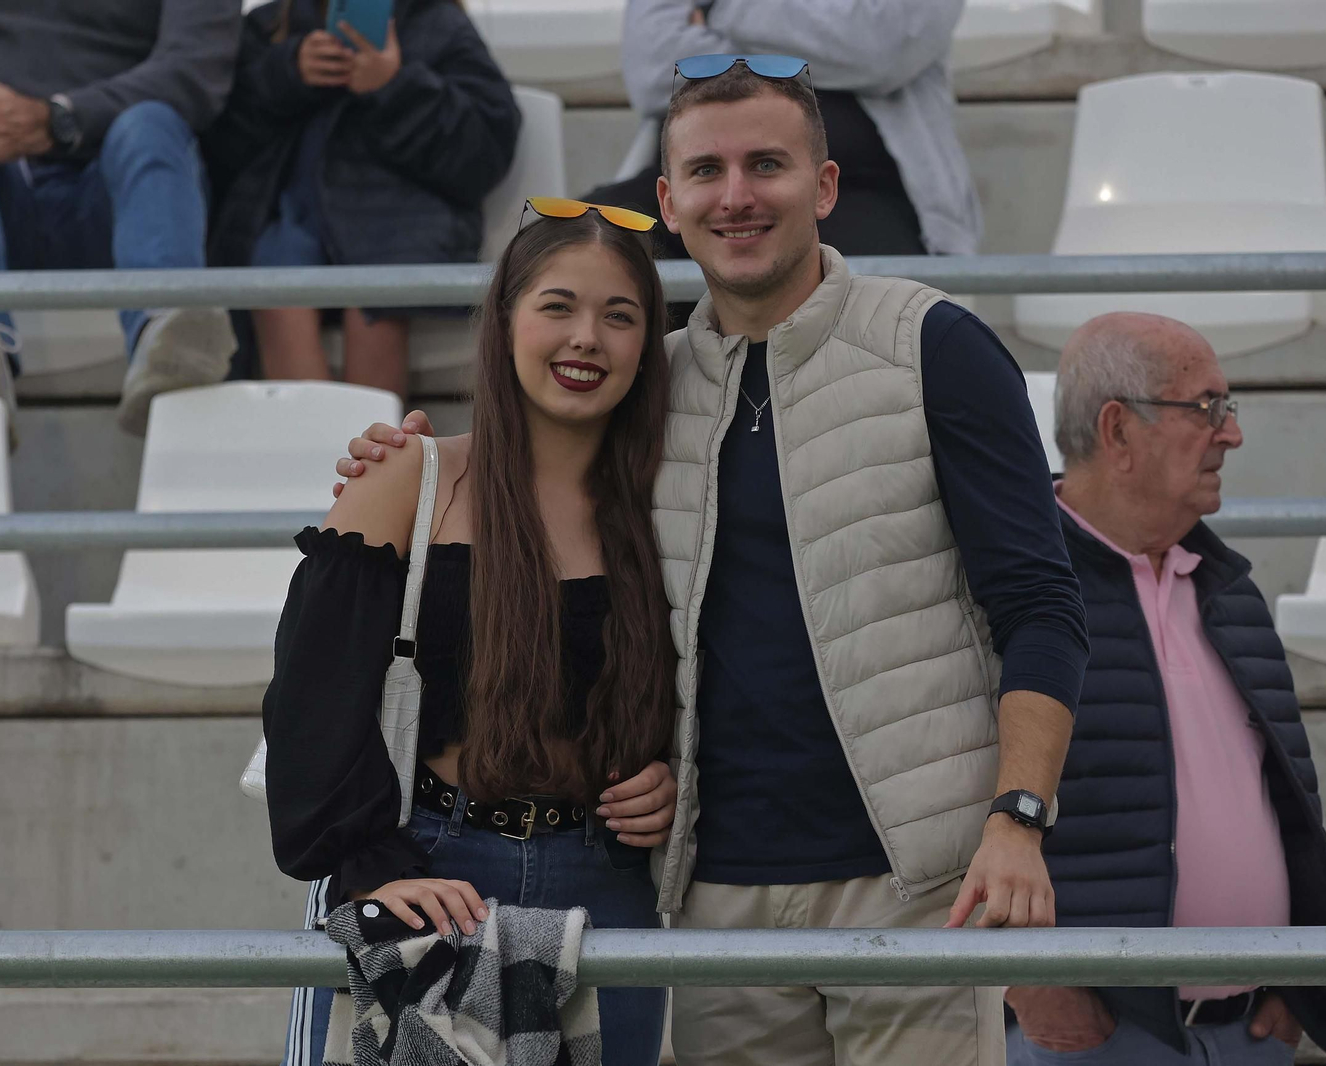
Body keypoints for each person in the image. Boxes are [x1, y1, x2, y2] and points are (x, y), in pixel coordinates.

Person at [338, 57, 1089, 1066]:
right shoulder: (649, 380)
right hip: (708, 898)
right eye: (707, 171)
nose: (736, 195)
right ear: (669, 201)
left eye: (766, 164)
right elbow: (546, 521)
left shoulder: (935, 346)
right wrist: (405, 464)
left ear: (823, 187)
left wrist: (1018, 815)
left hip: (913, 889)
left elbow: (1040, 602)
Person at [263, 200, 679, 1066]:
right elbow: (312, 699)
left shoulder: (672, 501)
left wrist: (677, 783)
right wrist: (374, 865)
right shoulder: (406, 481)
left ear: (649, 345)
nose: (587, 339)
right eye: (557, 306)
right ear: (505, 322)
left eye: (620, 315)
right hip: (435, 869)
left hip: (613, 884)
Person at [1004, 312, 1326, 1066]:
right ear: (1117, 432)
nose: (1232, 433)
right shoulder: (1019, 593)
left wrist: (1289, 990)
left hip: (1251, 1032)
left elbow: (1288, 809)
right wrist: (1031, 985)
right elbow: (945, 805)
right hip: (1095, 1041)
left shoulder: (1227, 587)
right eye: (1206, 408)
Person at [0, 0, 242, 439]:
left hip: (119, 198)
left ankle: (168, 339)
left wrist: (59, 118)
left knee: (150, 122)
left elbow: (195, 68)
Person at [204, 0, 520, 397]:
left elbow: (483, 151)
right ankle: (321, 453)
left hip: (400, 228)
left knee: (377, 301)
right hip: (286, 224)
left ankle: (373, 454)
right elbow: (218, 146)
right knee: (276, 289)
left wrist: (393, 85)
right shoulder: (268, 29)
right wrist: (285, 74)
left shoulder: (438, 25)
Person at [583, 0, 979, 260]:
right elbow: (653, 69)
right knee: (577, 242)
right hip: (694, 184)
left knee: (857, 306)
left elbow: (885, 46)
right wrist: (827, 44)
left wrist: (722, 11)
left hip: (853, 193)